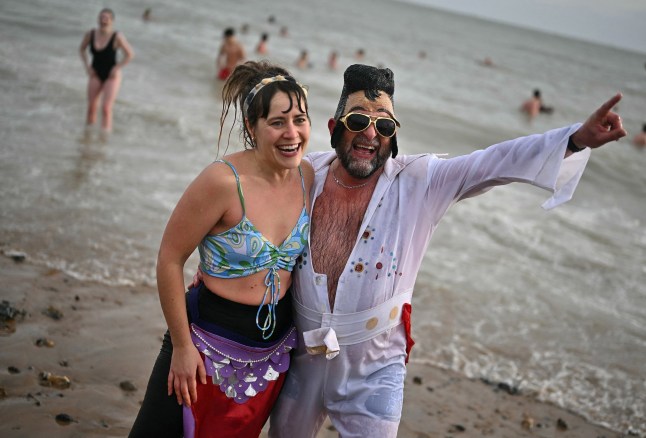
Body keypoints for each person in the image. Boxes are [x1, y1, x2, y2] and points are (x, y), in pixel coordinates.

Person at [266, 64, 626, 437]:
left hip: (373, 371)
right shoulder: (305, 174)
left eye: (385, 125)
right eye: (358, 120)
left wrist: (576, 139)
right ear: (334, 127)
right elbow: (248, 198)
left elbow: (493, 162)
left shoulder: (421, 182)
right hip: (302, 359)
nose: (371, 133)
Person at [129, 61, 313, 438]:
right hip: (203, 344)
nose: (291, 133)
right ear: (251, 126)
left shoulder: (308, 176)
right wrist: (181, 346)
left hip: (270, 356)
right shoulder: (222, 181)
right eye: (278, 122)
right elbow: (169, 259)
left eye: (300, 119)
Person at [79, 8, 134, 134]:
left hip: (112, 76)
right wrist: (87, 67)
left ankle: (104, 140)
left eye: (106, 18)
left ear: (112, 21)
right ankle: (88, 136)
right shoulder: (91, 34)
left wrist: (117, 68)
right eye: (101, 17)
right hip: (95, 73)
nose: (103, 20)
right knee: (91, 107)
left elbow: (130, 54)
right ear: (98, 19)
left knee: (106, 108)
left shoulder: (117, 36)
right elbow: (81, 50)